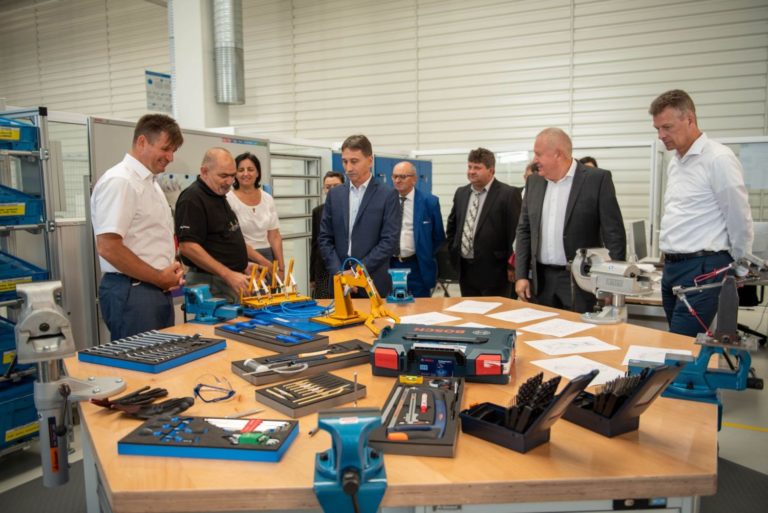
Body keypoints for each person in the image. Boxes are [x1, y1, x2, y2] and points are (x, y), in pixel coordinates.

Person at [649, 89, 753, 336]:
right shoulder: (676, 161)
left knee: (679, 343)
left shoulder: (718, 158)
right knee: (676, 341)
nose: (661, 135)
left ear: (690, 119)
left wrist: (741, 268)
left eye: (667, 127)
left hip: (704, 267)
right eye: (657, 129)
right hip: (672, 267)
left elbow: (739, 217)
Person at [91, 114, 185, 340]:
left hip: (154, 288)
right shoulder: (121, 181)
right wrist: (159, 276)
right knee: (140, 359)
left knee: (163, 358)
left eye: (173, 151)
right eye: (165, 149)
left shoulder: (151, 184)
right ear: (142, 142)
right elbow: (108, 247)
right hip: (134, 291)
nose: (170, 157)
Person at [515, 128, 626, 313]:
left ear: (557, 154)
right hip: (541, 282)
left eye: (539, 154)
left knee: (581, 330)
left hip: (581, 281)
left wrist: (613, 283)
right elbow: (524, 230)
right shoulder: (534, 182)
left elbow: (614, 234)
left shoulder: (597, 179)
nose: (535, 160)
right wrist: (521, 275)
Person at [175, 147, 270, 303]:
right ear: (204, 172)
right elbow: (188, 247)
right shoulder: (192, 198)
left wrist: (242, 265)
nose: (230, 182)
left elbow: (222, 239)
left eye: (232, 175)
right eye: (223, 176)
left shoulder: (218, 194)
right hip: (211, 282)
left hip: (228, 280)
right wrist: (228, 274)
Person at [318, 134, 400, 297]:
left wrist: (356, 272)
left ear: (370, 160)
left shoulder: (387, 195)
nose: (348, 168)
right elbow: (325, 238)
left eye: (354, 161)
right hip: (340, 283)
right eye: (345, 161)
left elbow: (389, 242)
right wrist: (340, 273)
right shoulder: (335, 195)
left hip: (372, 283)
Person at [446, 148, 522, 297]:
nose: (471, 171)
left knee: (495, 311)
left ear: (491, 170)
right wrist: (453, 250)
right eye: (469, 167)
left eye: (477, 168)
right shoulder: (461, 193)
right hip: (465, 269)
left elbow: (515, 233)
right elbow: (452, 226)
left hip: (496, 271)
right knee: (469, 309)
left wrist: (512, 266)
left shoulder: (508, 194)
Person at [389, 161, 446, 297]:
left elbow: (438, 236)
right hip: (391, 265)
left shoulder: (429, 202)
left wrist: (424, 252)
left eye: (403, 177)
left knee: (419, 306)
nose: (397, 180)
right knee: (393, 306)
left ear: (414, 179)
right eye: (395, 176)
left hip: (417, 267)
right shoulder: (385, 200)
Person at [226, 152, 285, 272]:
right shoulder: (228, 199)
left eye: (250, 169)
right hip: (242, 258)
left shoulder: (267, 198)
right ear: (235, 174)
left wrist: (281, 267)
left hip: (268, 256)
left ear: (257, 173)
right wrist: (262, 261)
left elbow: (274, 236)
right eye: (241, 170)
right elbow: (232, 239)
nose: (246, 173)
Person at [310, 171, 345, 298]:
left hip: (343, 266)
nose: (332, 190)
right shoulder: (318, 211)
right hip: (323, 269)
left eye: (336, 186)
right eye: (328, 187)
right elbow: (315, 244)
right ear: (324, 190)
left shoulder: (351, 209)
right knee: (324, 304)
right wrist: (312, 276)